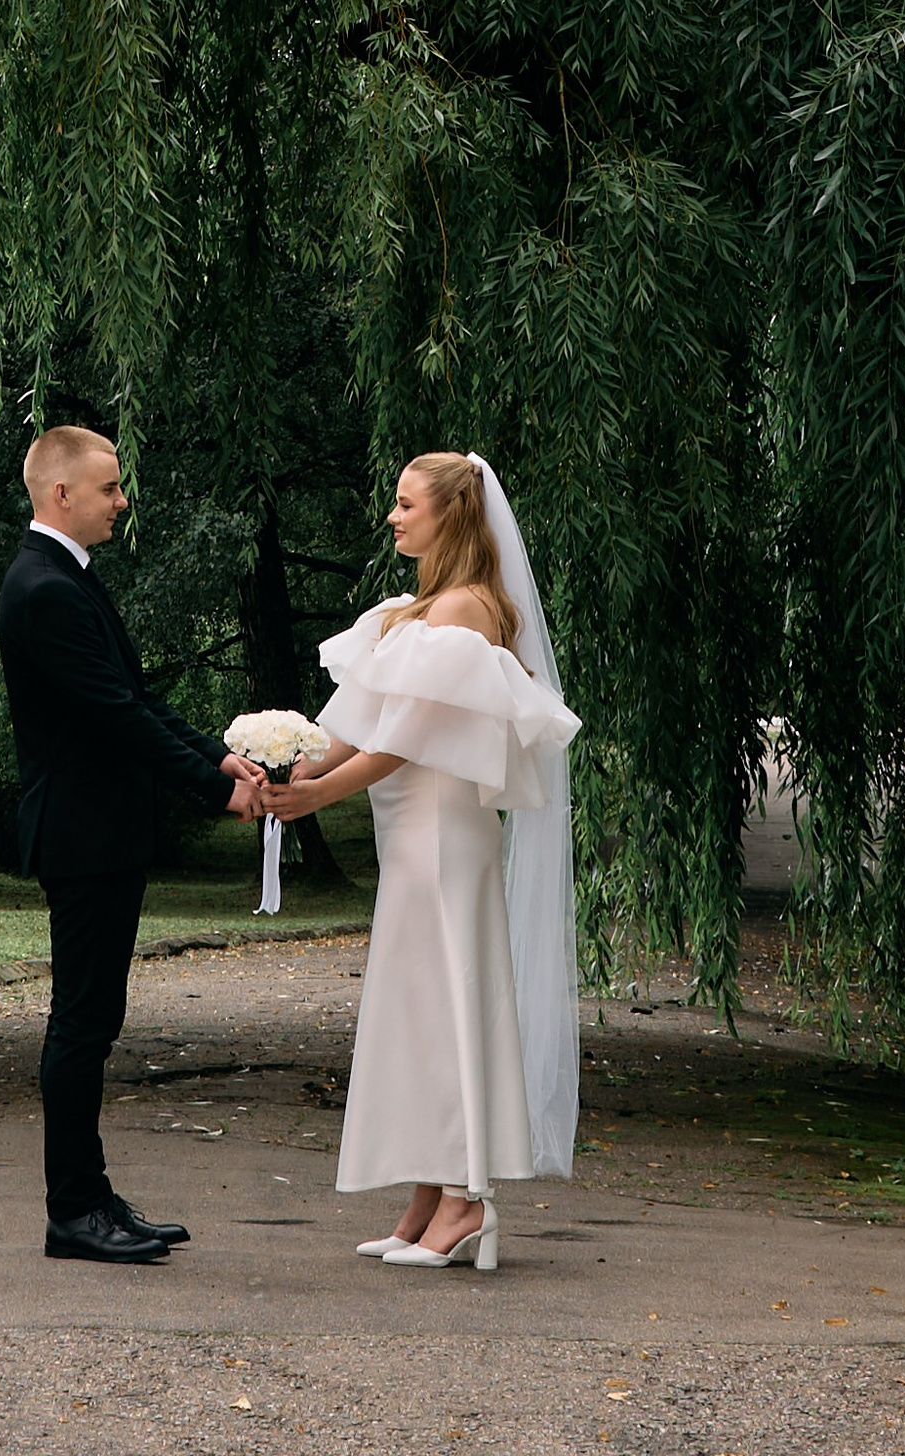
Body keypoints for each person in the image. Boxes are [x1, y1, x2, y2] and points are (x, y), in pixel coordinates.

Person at [271, 449, 581, 1272]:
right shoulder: (418, 609)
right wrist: (292, 762)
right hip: (412, 834)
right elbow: (362, 716)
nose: (393, 516)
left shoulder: (468, 609)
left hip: (443, 832)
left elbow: (406, 738)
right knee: (416, 1004)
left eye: (408, 504)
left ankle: (466, 1199)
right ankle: (426, 1195)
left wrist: (320, 795)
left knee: (446, 1000)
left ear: (452, 514)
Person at [0, 424, 272, 1266]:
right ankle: (74, 1211)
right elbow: (113, 718)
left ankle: (91, 1197)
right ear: (62, 494)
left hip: (100, 834)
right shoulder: (44, 588)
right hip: (82, 836)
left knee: (94, 1020)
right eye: (110, 487)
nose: (122, 501)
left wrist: (217, 757)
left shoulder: (67, 577)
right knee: (82, 1024)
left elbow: (135, 699)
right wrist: (218, 791)